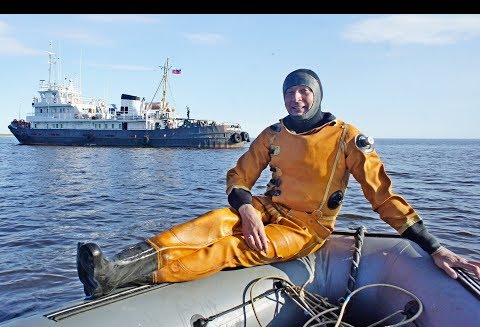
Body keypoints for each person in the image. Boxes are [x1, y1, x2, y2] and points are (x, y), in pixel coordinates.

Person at [76, 68, 480, 299]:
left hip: (306, 229)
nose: (297, 99)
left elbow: (383, 196)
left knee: (232, 248)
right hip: (267, 209)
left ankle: (135, 278)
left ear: (317, 94)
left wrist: (436, 248)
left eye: (304, 91)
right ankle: (114, 269)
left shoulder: (346, 138)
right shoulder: (272, 134)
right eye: (290, 92)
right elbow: (238, 176)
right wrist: (247, 207)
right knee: (209, 224)